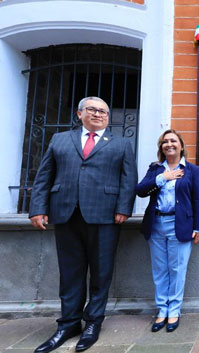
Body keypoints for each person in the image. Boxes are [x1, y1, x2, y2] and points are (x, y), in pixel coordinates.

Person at [29, 97, 138, 353]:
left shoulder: (121, 144)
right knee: (70, 273)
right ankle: (68, 323)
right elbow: (44, 175)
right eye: (92, 109)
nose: (98, 114)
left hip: (105, 216)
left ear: (108, 118)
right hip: (65, 214)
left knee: (101, 273)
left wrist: (124, 208)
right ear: (80, 114)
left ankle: (92, 323)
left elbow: (128, 178)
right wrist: (37, 208)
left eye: (103, 111)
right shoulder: (60, 140)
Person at [136, 129, 199, 333]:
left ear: (181, 146)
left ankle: (174, 310)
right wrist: (163, 177)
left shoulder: (191, 170)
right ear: (161, 147)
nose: (169, 144)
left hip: (180, 225)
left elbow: (198, 200)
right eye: (165, 141)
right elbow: (140, 191)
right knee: (160, 270)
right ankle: (162, 310)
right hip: (156, 224)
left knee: (177, 269)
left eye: (173, 140)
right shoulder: (155, 169)